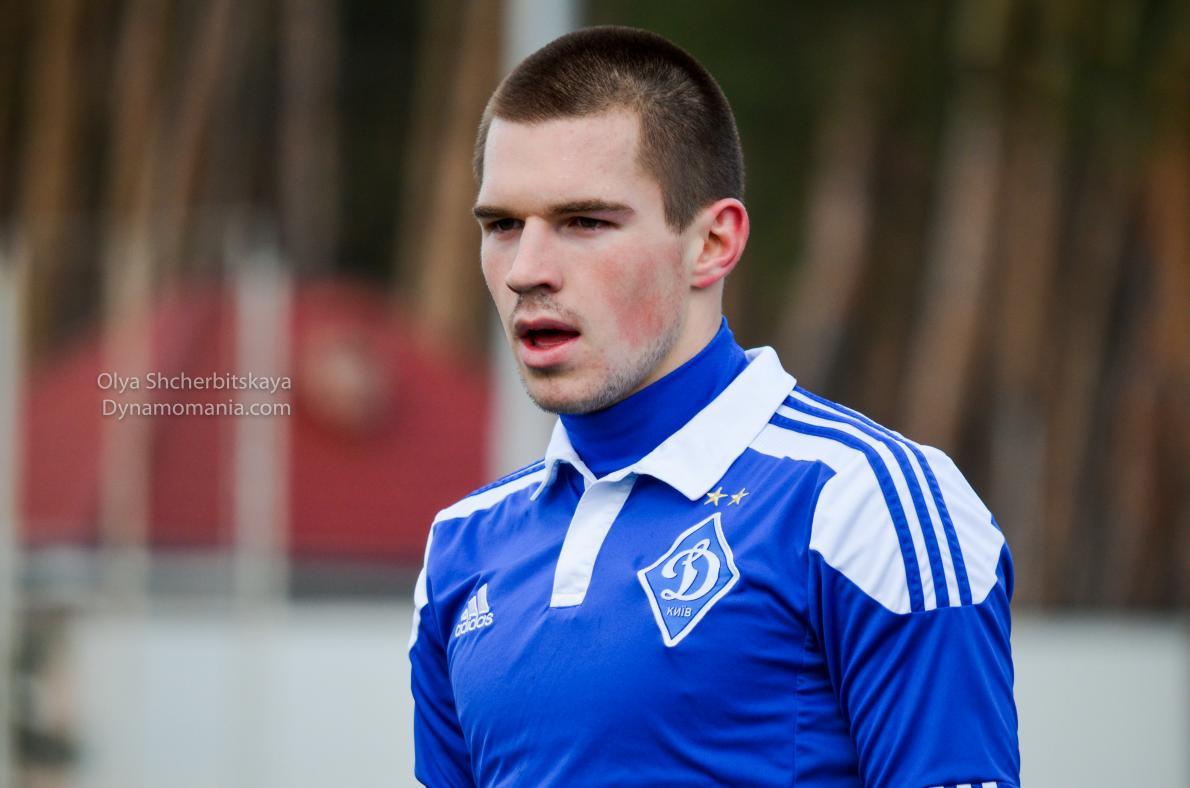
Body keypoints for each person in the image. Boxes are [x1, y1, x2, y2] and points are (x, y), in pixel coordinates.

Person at [409, 25, 1019, 787]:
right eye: (502, 225)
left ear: (712, 243)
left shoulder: (865, 502)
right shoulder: (461, 546)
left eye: (584, 222)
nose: (526, 269)